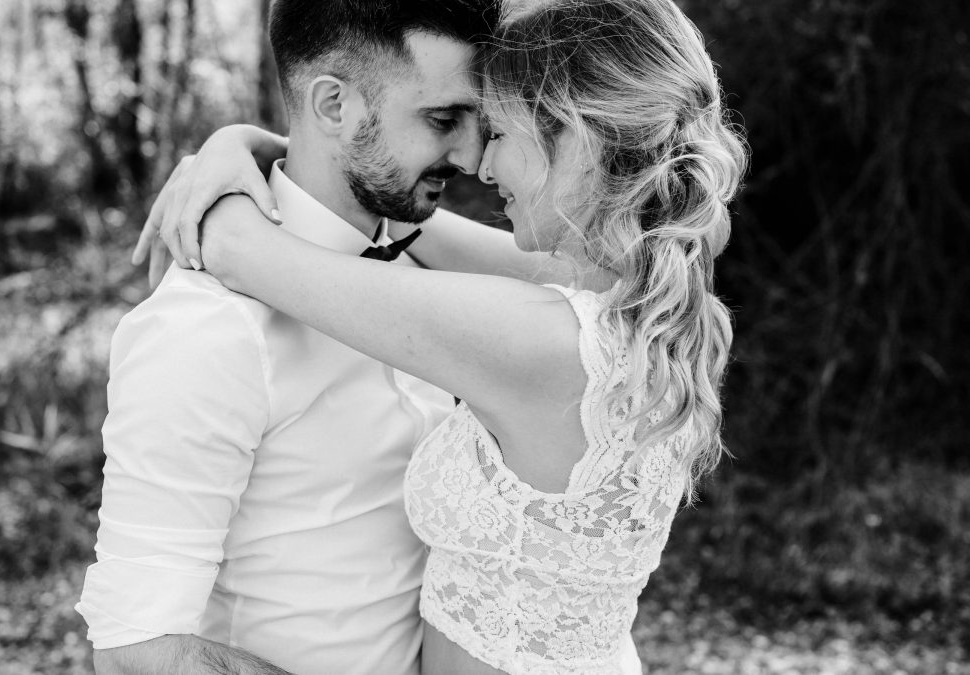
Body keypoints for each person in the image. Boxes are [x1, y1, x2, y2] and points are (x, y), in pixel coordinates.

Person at [142, 0, 748, 673]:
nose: (481, 166)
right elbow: (392, 216)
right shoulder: (636, 300)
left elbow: (238, 248)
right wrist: (254, 142)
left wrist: (222, 165)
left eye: (500, 133)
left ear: (578, 141)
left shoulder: (540, 340)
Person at [75, 2, 503, 674]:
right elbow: (137, 648)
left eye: (478, 120)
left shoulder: (426, 266)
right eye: (443, 120)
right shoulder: (207, 329)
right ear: (333, 105)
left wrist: (245, 142)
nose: (473, 156)